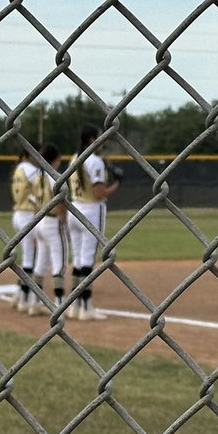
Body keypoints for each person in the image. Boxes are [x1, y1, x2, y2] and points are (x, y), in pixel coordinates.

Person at [64, 124, 120, 321]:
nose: (101, 141)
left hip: (75, 209)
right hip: (90, 211)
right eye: (97, 138)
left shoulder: (74, 158)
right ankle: (86, 307)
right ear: (90, 140)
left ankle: (74, 305)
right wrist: (116, 184)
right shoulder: (94, 161)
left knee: (78, 259)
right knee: (87, 258)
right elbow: (99, 193)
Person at [27, 143, 68, 317]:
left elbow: (33, 203)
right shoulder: (54, 177)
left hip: (40, 221)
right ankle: (59, 303)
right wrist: (64, 222)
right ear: (55, 159)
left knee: (41, 262)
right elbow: (60, 204)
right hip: (52, 222)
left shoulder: (37, 176)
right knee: (60, 262)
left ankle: (34, 302)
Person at [11, 147, 43, 311]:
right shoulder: (32, 170)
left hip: (18, 214)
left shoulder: (18, 168)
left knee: (26, 257)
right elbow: (37, 195)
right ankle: (24, 298)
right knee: (29, 258)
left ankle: (19, 294)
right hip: (28, 215)